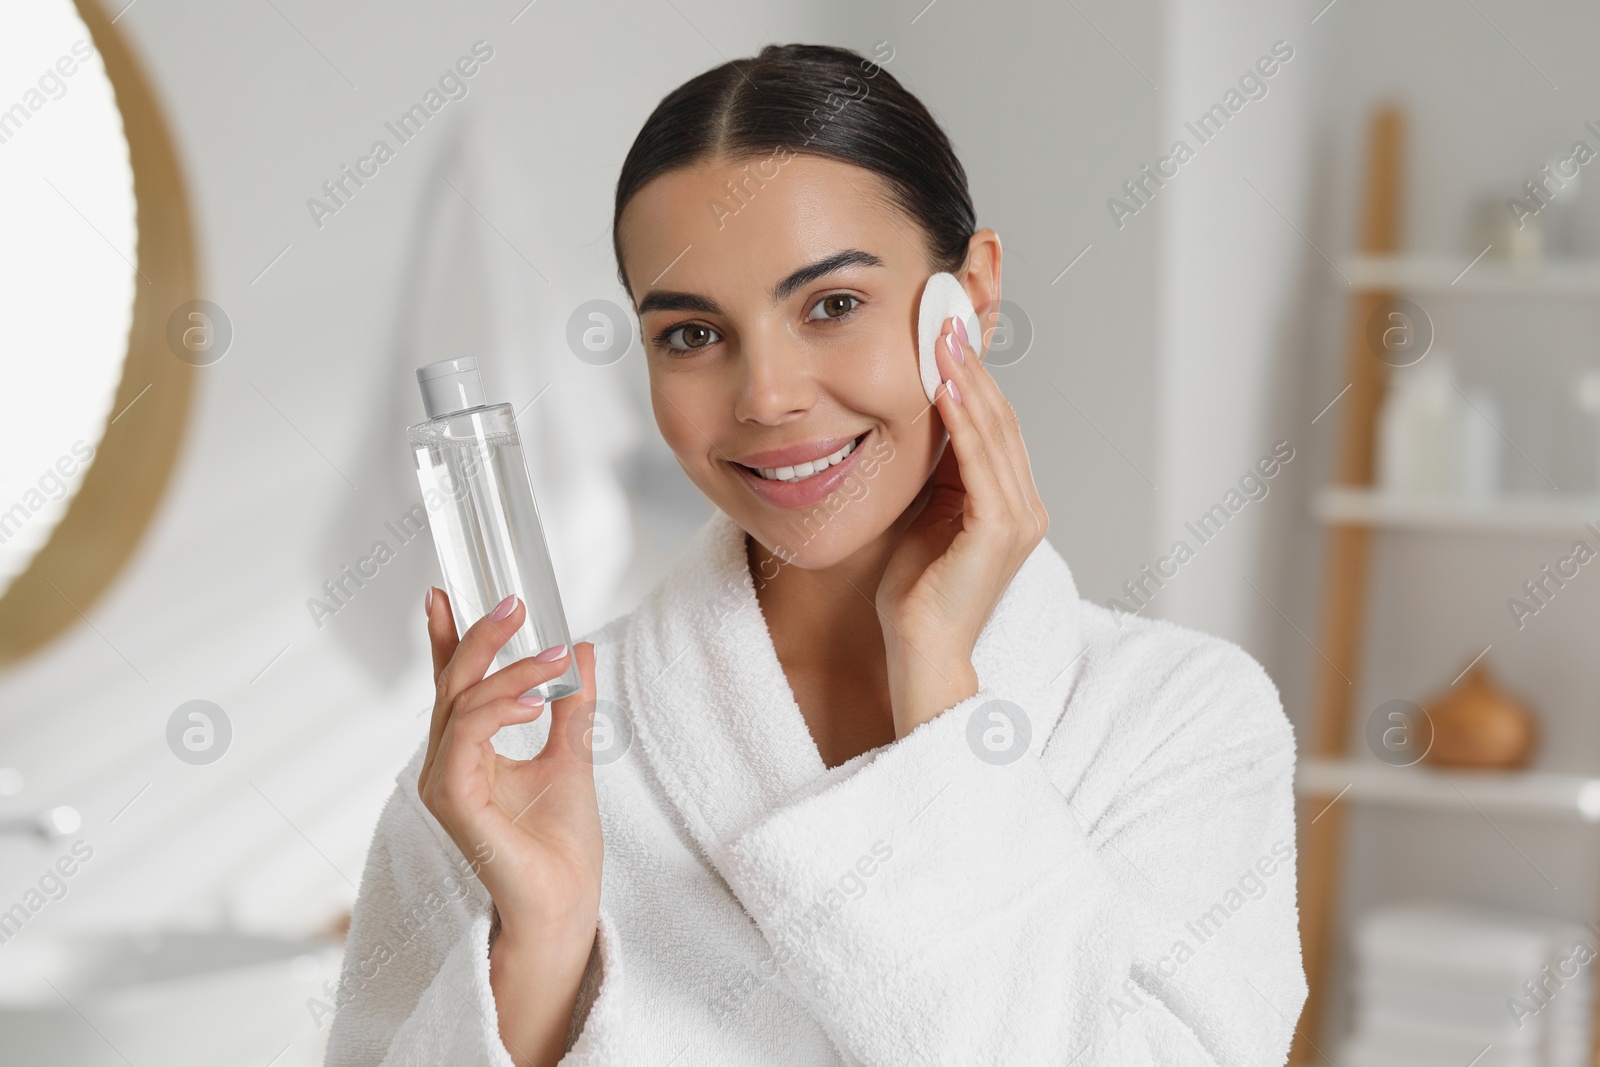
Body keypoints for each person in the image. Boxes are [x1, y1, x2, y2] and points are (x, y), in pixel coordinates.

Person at [324, 42, 1306, 1067]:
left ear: (968, 298)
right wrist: (541, 950)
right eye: (692, 334)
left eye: (832, 306)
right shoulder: (512, 765)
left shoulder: (1179, 720)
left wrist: (937, 693)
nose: (765, 396)